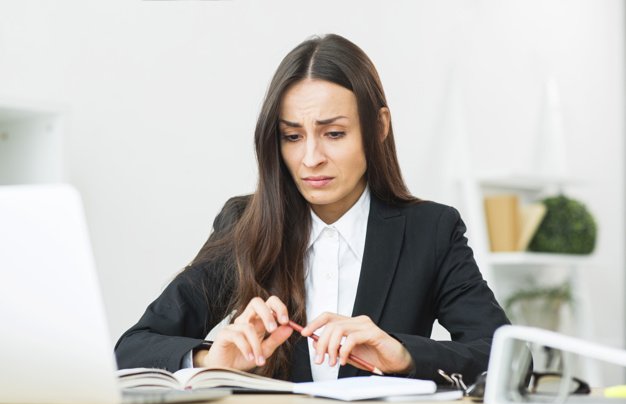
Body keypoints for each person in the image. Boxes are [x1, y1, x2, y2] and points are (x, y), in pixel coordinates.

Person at [114, 33, 510, 384]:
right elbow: (132, 348)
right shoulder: (246, 225)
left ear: (379, 127)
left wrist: (404, 355)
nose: (310, 158)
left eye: (334, 133)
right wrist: (210, 360)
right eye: (292, 136)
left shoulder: (431, 231)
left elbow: (507, 356)